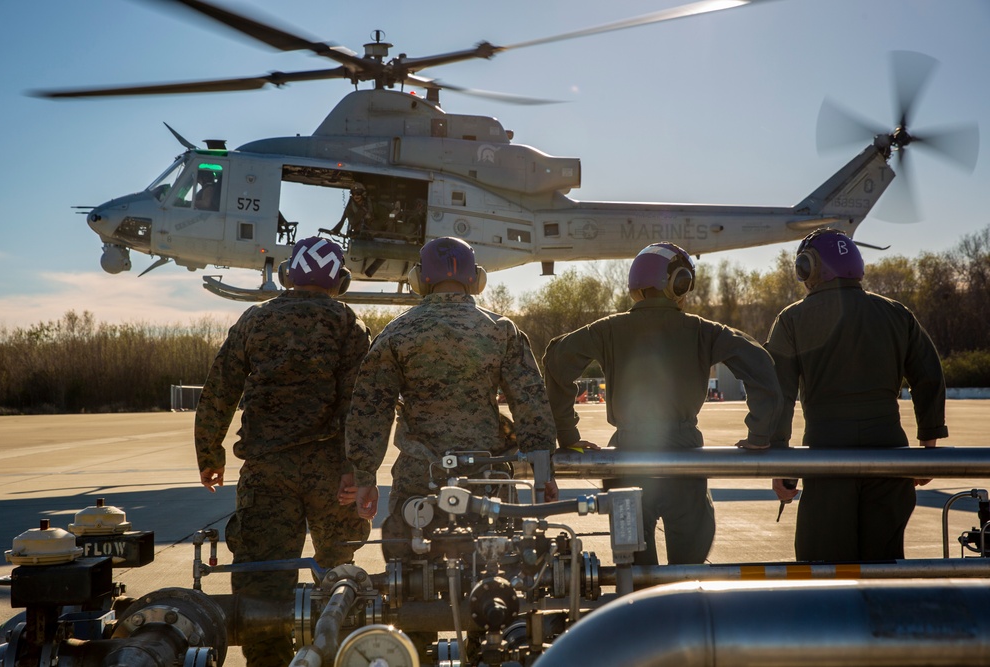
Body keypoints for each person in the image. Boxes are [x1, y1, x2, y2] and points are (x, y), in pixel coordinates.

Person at [543, 242, 783, 567]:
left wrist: (568, 436)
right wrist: (759, 434)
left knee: (635, 574)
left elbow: (557, 360)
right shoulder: (702, 331)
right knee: (688, 571)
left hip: (627, 456)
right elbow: (760, 366)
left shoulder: (608, 329)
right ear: (678, 284)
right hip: (685, 456)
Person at [194, 237, 371, 667]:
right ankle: (330, 655)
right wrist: (357, 470)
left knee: (262, 583)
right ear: (341, 282)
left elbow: (219, 390)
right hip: (330, 474)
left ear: (288, 276)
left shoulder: (256, 320)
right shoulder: (348, 324)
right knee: (337, 579)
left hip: (266, 472)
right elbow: (359, 404)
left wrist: (210, 453)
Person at [345, 236, 559, 556]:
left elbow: (370, 410)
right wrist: (544, 474)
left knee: (408, 574)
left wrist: (365, 478)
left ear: (419, 280)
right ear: (476, 279)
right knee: (495, 572)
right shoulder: (502, 330)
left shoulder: (396, 333)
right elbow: (531, 403)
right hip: (488, 475)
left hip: (419, 477)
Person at [765, 228, 948, 562]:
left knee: (823, 568)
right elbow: (929, 376)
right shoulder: (897, 313)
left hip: (827, 454)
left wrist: (781, 461)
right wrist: (929, 445)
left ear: (809, 268)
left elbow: (778, 394)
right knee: (885, 566)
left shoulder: (792, 319)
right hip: (890, 453)